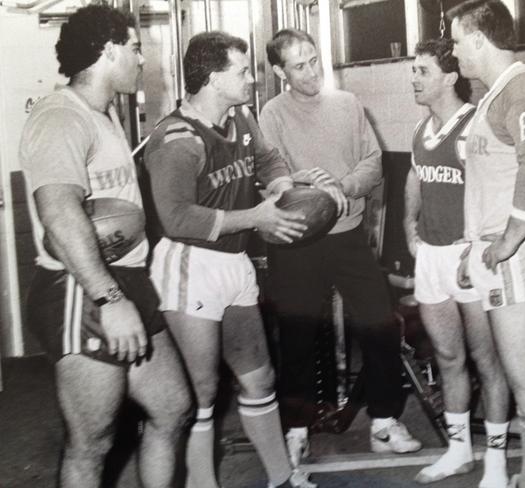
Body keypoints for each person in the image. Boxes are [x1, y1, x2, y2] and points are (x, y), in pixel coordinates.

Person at [144, 31, 330, 488]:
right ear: (212, 78)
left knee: (260, 378)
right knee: (203, 392)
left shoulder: (241, 118)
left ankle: (282, 478)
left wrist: (287, 188)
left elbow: (267, 161)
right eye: (242, 71)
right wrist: (256, 217)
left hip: (234, 263)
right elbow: (175, 217)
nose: (251, 77)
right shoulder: (177, 138)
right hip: (191, 265)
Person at [18, 5, 193, 488]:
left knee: (172, 408)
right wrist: (109, 300)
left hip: (126, 280)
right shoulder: (60, 116)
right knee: (92, 442)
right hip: (82, 288)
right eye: (136, 49)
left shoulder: (105, 112)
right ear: (109, 50)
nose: (143, 59)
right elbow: (58, 214)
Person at [260, 28, 422, 466]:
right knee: (296, 336)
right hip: (297, 239)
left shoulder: (348, 105)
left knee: (380, 324)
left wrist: (343, 187)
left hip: (347, 236)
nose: (312, 71)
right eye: (299, 65)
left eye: (314, 59)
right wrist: (305, 184)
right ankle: (295, 431)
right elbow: (271, 173)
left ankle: (384, 423)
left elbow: (374, 163)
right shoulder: (271, 114)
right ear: (280, 72)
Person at [449, 1, 525, 487]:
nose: (454, 51)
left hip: (523, 254)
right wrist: (472, 248)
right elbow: (493, 182)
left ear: (479, 39)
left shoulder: (523, 89)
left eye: (458, 40)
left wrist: (504, 243)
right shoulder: (494, 94)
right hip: (504, 253)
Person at [404, 38, 511, 487]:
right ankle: (459, 451)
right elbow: (415, 174)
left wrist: (476, 246)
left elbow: (495, 190)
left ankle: (498, 463)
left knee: (487, 361)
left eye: (422, 71)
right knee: (448, 358)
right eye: (414, 70)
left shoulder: (475, 125)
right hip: (431, 256)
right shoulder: (421, 130)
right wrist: (409, 227)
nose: (414, 78)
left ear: (449, 78)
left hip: (469, 256)